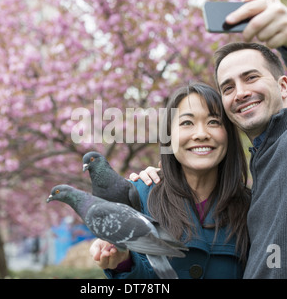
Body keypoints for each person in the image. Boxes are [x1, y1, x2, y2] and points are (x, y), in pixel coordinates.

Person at [132, 0, 287, 278]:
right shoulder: (259, 168)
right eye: (228, 87)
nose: (241, 93)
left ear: (283, 85)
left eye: (251, 77)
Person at [90, 83, 251, 279]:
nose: (201, 134)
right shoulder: (139, 196)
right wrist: (123, 263)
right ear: (169, 137)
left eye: (214, 122)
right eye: (186, 123)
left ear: (228, 135)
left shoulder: (251, 207)